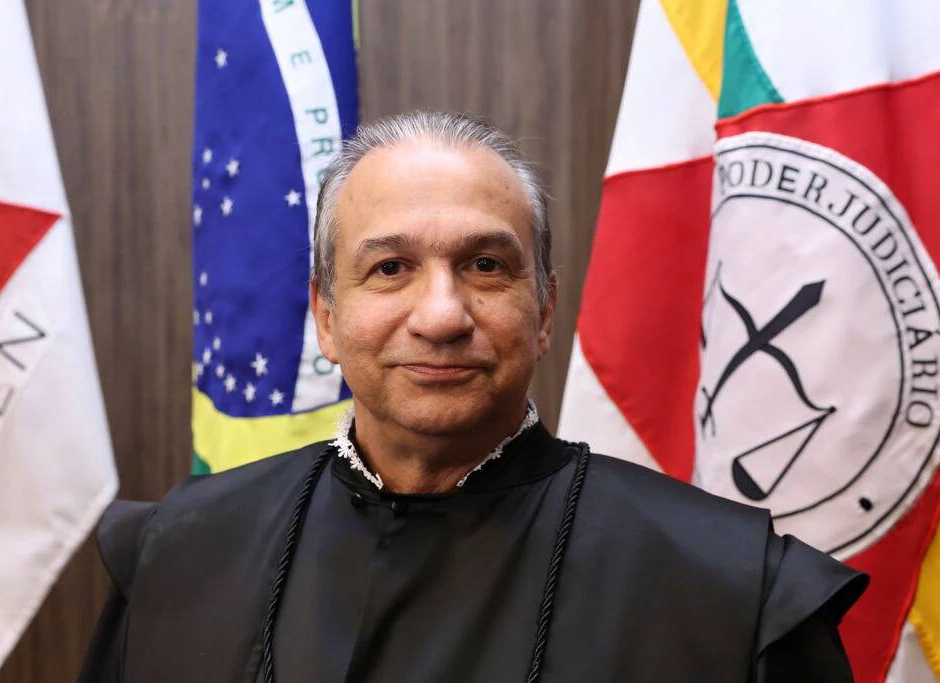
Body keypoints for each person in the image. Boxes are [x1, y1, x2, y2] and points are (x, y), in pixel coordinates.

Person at [79, 111, 867, 683]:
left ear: (545, 310)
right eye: (390, 268)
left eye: (486, 265)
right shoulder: (178, 555)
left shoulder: (733, 591)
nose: (442, 315)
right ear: (325, 315)